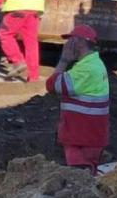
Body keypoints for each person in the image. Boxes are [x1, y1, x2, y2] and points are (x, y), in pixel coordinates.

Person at [46, 24, 110, 174]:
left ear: (79, 42)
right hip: (88, 135)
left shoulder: (86, 69)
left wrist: (63, 60)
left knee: (79, 177)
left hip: (81, 137)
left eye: (70, 41)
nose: (66, 45)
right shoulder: (94, 64)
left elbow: (52, 85)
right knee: (87, 176)